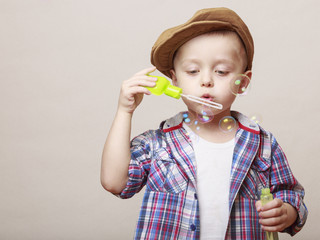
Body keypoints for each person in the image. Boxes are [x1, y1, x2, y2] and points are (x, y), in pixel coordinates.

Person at [100, 7, 308, 239]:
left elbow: (292, 196)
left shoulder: (262, 144)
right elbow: (114, 182)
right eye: (192, 71)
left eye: (221, 71)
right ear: (175, 80)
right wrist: (124, 111)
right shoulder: (158, 144)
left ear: (243, 82)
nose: (206, 80)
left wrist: (286, 212)